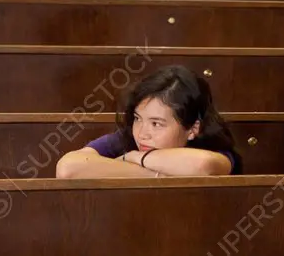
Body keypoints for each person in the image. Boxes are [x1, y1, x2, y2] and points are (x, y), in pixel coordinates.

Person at [55, 65, 242, 178]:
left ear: (193, 129)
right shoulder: (126, 138)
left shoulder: (215, 148)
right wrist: (155, 175)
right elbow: (68, 168)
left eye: (156, 123)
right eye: (138, 119)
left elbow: (203, 166)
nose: (142, 133)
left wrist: (133, 158)